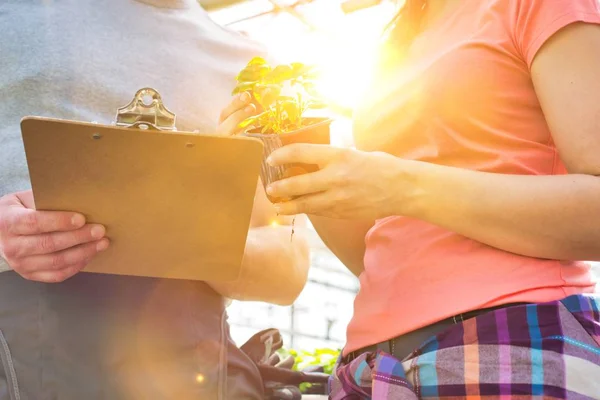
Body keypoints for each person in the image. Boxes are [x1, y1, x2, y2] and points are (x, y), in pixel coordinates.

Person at [220, 0, 600, 397]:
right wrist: (288, 162)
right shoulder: (395, 36)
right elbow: (379, 250)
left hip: (511, 342)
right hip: (369, 366)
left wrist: (400, 185)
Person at [0, 1, 309, 399]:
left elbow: (289, 264)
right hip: (23, 344)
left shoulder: (253, 67)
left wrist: (191, 235)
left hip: (188, 357)